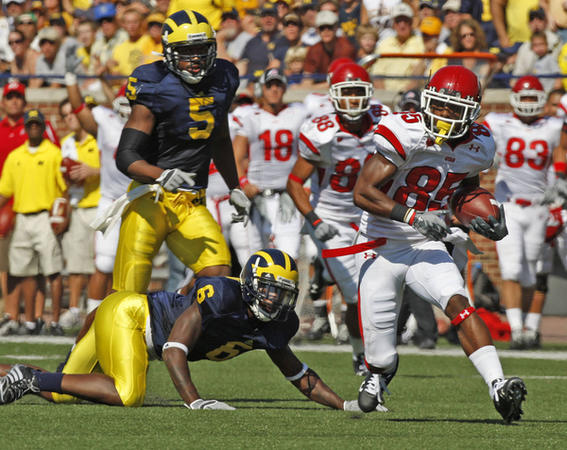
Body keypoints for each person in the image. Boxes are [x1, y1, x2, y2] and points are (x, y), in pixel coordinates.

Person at [351, 65, 527, 423]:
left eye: (453, 109)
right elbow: (363, 192)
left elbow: (465, 189)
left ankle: (497, 385)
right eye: (438, 105)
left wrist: (480, 217)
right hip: (380, 241)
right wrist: (413, 216)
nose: (443, 115)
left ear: (472, 112)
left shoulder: (479, 144)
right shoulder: (406, 131)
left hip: (425, 242)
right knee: (381, 356)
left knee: (459, 302)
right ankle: (381, 373)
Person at [0, 249, 366, 413]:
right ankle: (32, 379)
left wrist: (346, 404)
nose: (274, 300)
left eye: (282, 293)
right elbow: (175, 347)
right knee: (128, 394)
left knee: (63, 391)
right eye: (269, 289)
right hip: (130, 315)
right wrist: (195, 400)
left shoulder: (275, 325)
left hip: (123, 318)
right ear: (251, 284)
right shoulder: (223, 295)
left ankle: (21, 377)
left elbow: (299, 375)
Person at [107, 10, 250, 294]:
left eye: (201, 50)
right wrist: (160, 174)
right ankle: (81, 341)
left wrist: (235, 186)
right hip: (151, 200)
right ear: (169, 53)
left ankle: (172, 319)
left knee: (218, 272)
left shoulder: (223, 78)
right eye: (187, 51)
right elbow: (125, 156)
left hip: (192, 202)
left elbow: (220, 139)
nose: (196, 59)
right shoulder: (155, 85)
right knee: (125, 294)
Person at [287, 62, 385, 375]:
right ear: (334, 96)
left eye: (359, 92)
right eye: (348, 92)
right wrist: (315, 221)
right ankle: (360, 354)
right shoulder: (322, 132)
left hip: (369, 213)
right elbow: (294, 182)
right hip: (332, 218)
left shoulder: (385, 121)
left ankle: (323, 277)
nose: (354, 100)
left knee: (378, 286)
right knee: (356, 290)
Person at [483, 76, 564, 350]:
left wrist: (561, 180)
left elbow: (561, 150)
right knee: (512, 267)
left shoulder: (552, 126)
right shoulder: (498, 122)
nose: (528, 103)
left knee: (531, 273)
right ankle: (517, 329)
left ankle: (530, 329)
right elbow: (478, 137)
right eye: (524, 97)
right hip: (509, 205)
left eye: (533, 97)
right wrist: (488, 155)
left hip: (539, 207)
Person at [64, 74, 131, 314]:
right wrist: (71, 81)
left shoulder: (152, 124)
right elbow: (79, 108)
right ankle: (92, 318)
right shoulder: (106, 120)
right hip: (111, 201)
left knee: (134, 266)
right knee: (104, 262)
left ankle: (121, 315)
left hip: (138, 201)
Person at [0, 109, 68, 336]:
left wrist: (62, 215)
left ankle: (55, 321)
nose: (34, 128)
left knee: (53, 270)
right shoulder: (16, 156)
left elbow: (64, 189)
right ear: (25, 128)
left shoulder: (53, 153)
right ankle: (28, 320)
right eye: (30, 125)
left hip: (44, 217)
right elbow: (4, 192)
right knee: (23, 272)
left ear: (43, 126)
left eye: (37, 124)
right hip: (21, 218)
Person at [233, 68, 307, 259]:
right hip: (257, 196)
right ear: (261, 89)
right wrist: (243, 183)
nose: (274, 89)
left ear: (284, 89)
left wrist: (303, 185)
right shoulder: (250, 117)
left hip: (287, 196)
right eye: (269, 85)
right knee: (256, 260)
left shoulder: (298, 114)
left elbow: (309, 154)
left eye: (278, 85)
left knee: (289, 257)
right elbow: (236, 155)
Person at [58, 98, 101, 329]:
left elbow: (117, 169)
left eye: (73, 112)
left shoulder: (99, 138)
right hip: (77, 205)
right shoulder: (66, 144)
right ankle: (75, 309)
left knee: (101, 262)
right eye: (65, 115)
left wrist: (93, 171)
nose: (71, 117)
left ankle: (96, 308)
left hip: (99, 205)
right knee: (75, 262)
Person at [369, 3, 425, 92]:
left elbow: (417, 76)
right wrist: (384, 97)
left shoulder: (420, 43)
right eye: (398, 21)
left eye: (405, 21)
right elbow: (377, 76)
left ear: (411, 23)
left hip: (411, 96)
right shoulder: (384, 44)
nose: (402, 25)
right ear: (393, 24)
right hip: (385, 96)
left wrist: (405, 96)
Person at [300, 10, 356, 87]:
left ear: (336, 28)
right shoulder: (314, 50)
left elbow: (343, 81)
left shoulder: (346, 47)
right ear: (317, 30)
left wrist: (314, 87)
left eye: (329, 27)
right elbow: (306, 81)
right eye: (322, 28)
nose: (326, 31)